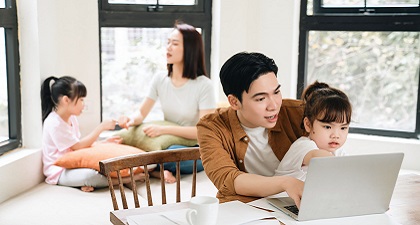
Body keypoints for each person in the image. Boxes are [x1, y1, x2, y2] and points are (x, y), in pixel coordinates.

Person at [197, 52, 307, 207]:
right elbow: (227, 179)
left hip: (294, 205)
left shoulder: (299, 113)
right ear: (234, 102)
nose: (273, 106)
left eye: (276, 92)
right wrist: (285, 183)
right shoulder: (212, 126)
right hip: (244, 207)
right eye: (261, 99)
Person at [118, 21, 217, 183]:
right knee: (148, 148)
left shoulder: (204, 85)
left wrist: (163, 130)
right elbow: (141, 113)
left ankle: (154, 169)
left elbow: (203, 131)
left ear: (190, 49)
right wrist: (130, 120)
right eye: (168, 42)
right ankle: (157, 170)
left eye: (175, 43)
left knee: (172, 154)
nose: (168, 47)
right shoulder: (160, 79)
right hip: (167, 144)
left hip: (194, 148)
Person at [41, 76, 141, 192]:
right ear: (66, 100)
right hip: (59, 171)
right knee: (90, 176)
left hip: (74, 164)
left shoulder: (71, 118)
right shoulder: (55, 123)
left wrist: (102, 143)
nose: (84, 104)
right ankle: (124, 180)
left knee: (102, 166)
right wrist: (101, 127)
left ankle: (81, 182)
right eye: (81, 100)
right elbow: (77, 146)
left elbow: (77, 145)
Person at [274, 81, 352, 181]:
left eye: (343, 128)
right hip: (278, 196)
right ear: (308, 125)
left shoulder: (337, 152)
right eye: (328, 127)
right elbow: (317, 157)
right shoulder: (304, 146)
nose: (336, 135)